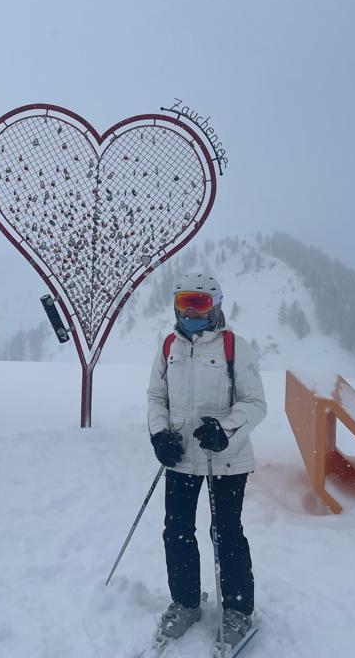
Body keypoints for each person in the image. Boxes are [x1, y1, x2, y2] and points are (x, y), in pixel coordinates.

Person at [146, 272, 266, 649]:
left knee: (226, 532)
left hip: (225, 459)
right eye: (183, 302)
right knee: (176, 529)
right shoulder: (170, 346)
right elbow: (156, 397)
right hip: (181, 456)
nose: (189, 312)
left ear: (215, 306)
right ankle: (185, 602)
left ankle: (238, 610)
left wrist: (224, 430)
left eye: (198, 303)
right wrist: (160, 435)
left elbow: (255, 403)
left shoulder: (235, 346)